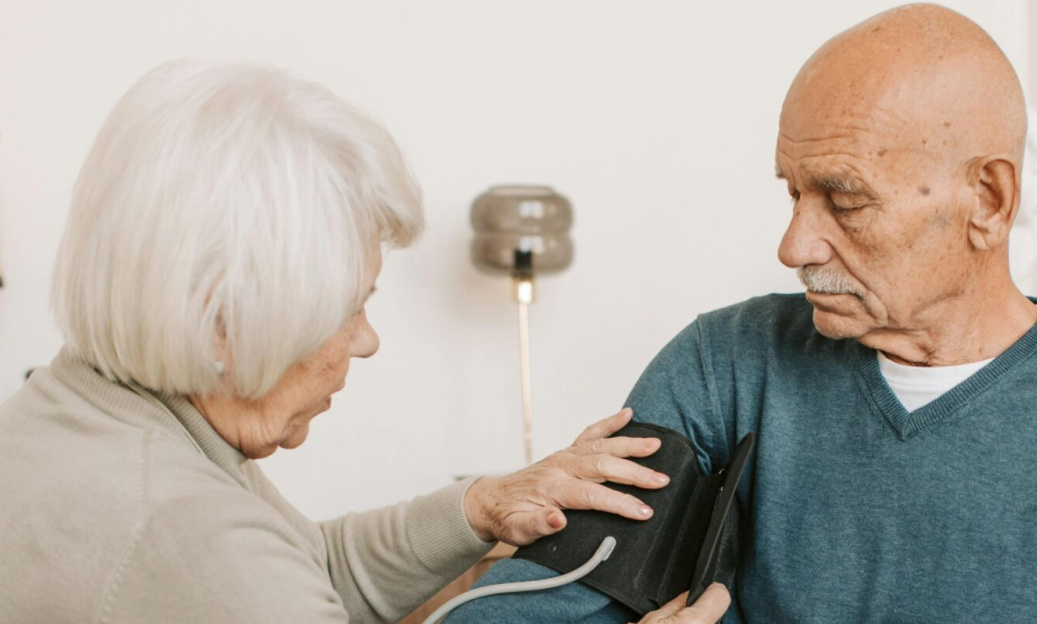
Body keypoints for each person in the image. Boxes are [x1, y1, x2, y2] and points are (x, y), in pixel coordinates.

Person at [443, 4, 1037, 623]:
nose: (794, 245)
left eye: (845, 200)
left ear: (989, 201)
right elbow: (526, 609)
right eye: (793, 193)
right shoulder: (725, 365)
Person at [0, 59, 724, 624]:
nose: (367, 340)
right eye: (348, 309)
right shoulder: (193, 535)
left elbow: (305, 564)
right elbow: (255, 578)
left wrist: (480, 507)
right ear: (222, 324)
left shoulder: (77, 408)